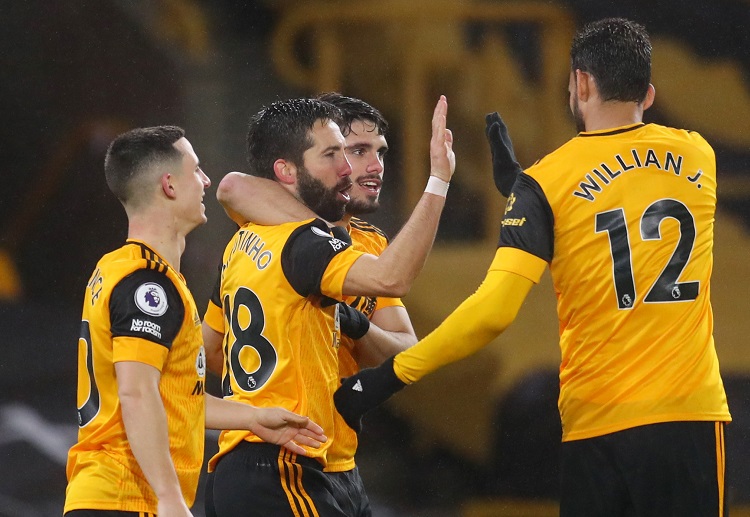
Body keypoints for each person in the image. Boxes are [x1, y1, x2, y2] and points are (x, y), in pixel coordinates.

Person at [334, 18, 731, 517]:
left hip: (599, 424)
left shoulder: (549, 182)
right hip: (690, 417)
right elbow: (632, 197)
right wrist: (528, 195)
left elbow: (494, 312)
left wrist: (391, 375)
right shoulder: (699, 155)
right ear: (647, 94)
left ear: (581, 82)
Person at [201, 96, 454, 516]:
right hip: (290, 458)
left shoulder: (364, 243)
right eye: (351, 152)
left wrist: (351, 327)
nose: (366, 168)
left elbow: (408, 354)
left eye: (379, 152)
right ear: (292, 166)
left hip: (335, 464)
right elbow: (231, 185)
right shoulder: (299, 240)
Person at [63, 126, 327, 517]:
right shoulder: (147, 285)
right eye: (197, 170)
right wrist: (168, 496)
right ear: (169, 185)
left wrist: (253, 418)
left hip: (109, 496)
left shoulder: (120, 269)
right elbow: (137, 394)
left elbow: (173, 399)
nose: (206, 181)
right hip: (127, 498)